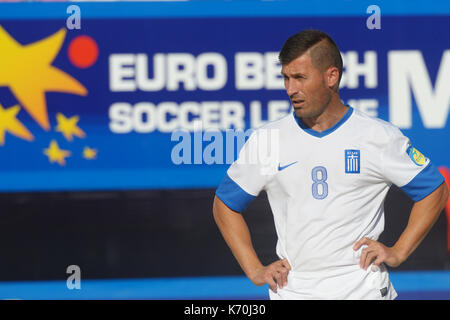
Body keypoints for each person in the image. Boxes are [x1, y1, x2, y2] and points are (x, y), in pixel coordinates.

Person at [212, 29, 449, 300]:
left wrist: (399, 251)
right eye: (286, 78)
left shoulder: (377, 136)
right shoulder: (267, 141)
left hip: (363, 290)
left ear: (331, 77)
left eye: (300, 78)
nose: (291, 89)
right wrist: (254, 269)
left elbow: (434, 189)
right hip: (294, 291)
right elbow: (225, 205)